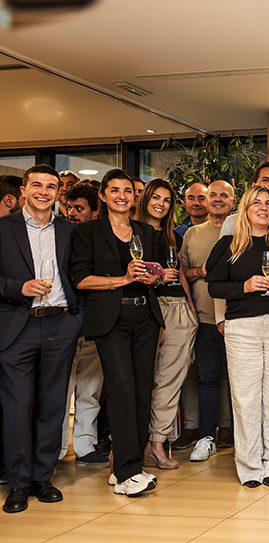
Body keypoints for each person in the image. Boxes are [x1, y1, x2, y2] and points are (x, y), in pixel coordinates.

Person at [70, 168, 167, 496]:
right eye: (115, 190)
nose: (122, 196)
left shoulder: (145, 231)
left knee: (141, 391)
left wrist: (154, 277)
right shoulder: (87, 232)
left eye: (127, 191)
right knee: (122, 388)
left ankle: (126, 467)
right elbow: (80, 279)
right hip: (110, 319)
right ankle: (128, 473)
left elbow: (155, 272)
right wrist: (123, 280)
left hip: (145, 316)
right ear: (103, 195)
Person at [206, 185, 269, 488]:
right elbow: (214, 286)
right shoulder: (228, 245)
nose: (263, 208)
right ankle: (249, 466)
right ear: (246, 209)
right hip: (242, 329)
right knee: (246, 400)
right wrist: (244, 287)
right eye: (257, 203)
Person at [0, 165, 82, 513]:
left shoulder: (71, 231)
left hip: (61, 324)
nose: (44, 192)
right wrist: (17, 288)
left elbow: (80, 275)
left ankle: (42, 477)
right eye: (37, 185)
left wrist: (76, 320)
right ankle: (18, 483)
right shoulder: (3, 228)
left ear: (58, 193)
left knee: (53, 405)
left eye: (51, 186)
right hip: (16, 326)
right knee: (17, 407)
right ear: (23, 189)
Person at [134, 179, 197, 470]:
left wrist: (191, 308)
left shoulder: (173, 236)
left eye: (167, 200)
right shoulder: (130, 233)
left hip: (177, 309)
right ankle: (131, 444)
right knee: (139, 380)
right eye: (156, 197)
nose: (161, 204)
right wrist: (157, 279)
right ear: (145, 198)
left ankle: (158, 443)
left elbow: (180, 273)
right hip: (144, 308)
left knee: (170, 380)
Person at [180, 180, 236, 462]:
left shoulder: (241, 230)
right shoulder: (193, 233)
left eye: (224, 195)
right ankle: (206, 436)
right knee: (208, 378)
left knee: (238, 381)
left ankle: (234, 433)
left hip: (237, 320)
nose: (217, 199)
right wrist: (201, 272)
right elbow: (182, 272)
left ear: (234, 202)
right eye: (213, 194)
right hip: (203, 319)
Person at [58, 182, 108, 467]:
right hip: (64, 323)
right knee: (60, 391)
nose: (72, 213)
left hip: (94, 323)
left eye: (79, 208)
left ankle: (85, 446)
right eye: (70, 207)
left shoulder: (101, 238)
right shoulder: (62, 235)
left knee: (90, 389)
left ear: (95, 211)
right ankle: (54, 449)